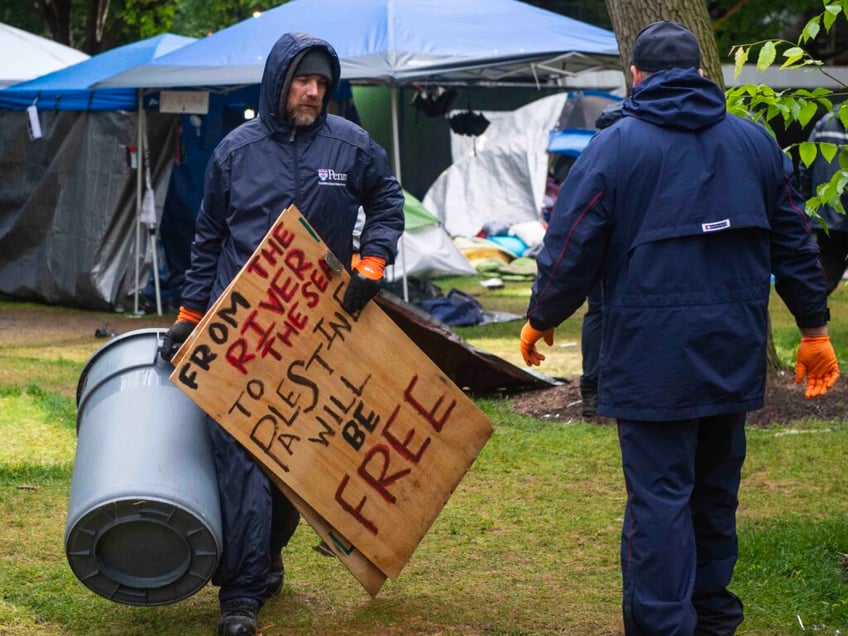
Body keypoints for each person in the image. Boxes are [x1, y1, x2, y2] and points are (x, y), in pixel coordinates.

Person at [518, 20, 840, 636]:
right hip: (731, 356)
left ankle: (665, 626)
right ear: (700, 72)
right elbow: (796, 244)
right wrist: (815, 328)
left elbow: (570, 243)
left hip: (650, 364)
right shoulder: (754, 142)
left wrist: (541, 316)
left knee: (660, 503)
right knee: (714, 495)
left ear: (635, 77)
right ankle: (713, 619)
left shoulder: (615, 147)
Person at [160, 32, 405, 636]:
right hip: (240, 335)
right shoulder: (234, 152)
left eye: (322, 83)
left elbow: (389, 199)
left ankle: (264, 560)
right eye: (303, 81)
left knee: (290, 464)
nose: (314, 92)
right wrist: (191, 316)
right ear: (278, 82)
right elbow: (208, 237)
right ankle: (240, 597)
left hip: (318, 337)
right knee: (239, 457)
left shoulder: (350, 145)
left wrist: (372, 263)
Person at [797, 106, 848, 294]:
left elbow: (805, 167)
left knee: (827, 270)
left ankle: (813, 314)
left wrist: (809, 202)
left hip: (826, 212)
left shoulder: (824, 122)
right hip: (834, 212)